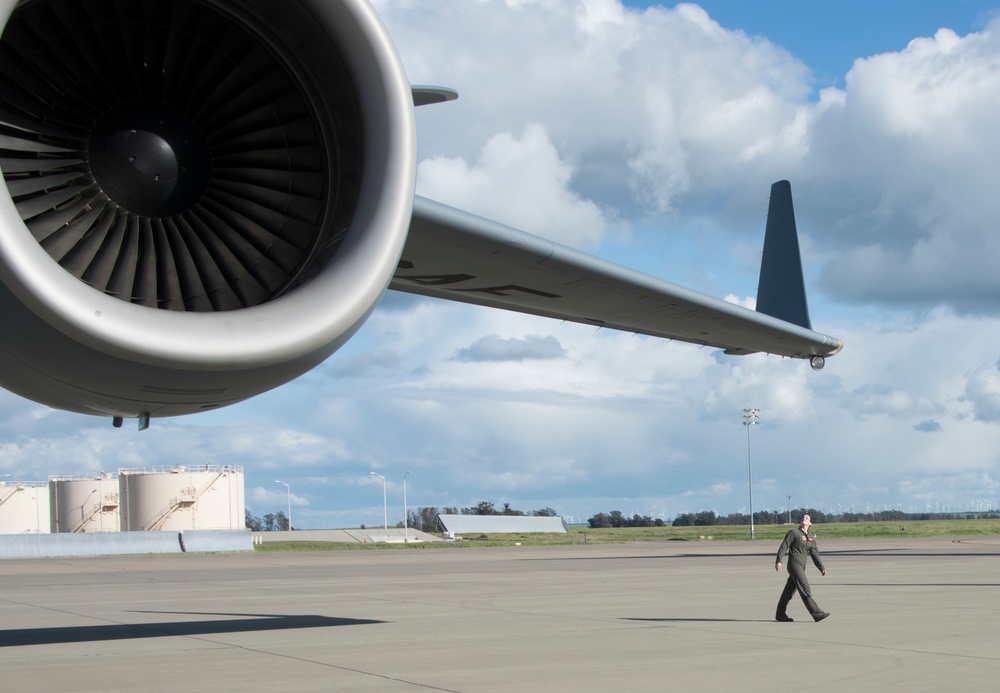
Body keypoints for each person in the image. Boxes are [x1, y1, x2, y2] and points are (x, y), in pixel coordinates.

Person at [774, 513, 830, 622]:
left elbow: (814, 554)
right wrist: (779, 560)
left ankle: (780, 614)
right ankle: (816, 613)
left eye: (807, 518)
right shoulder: (794, 533)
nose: (804, 518)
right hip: (794, 564)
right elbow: (784, 545)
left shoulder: (810, 538)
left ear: (810, 523)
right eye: (803, 517)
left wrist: (821, 567)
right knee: (805, 588)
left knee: (788, 592)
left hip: (801, 565)